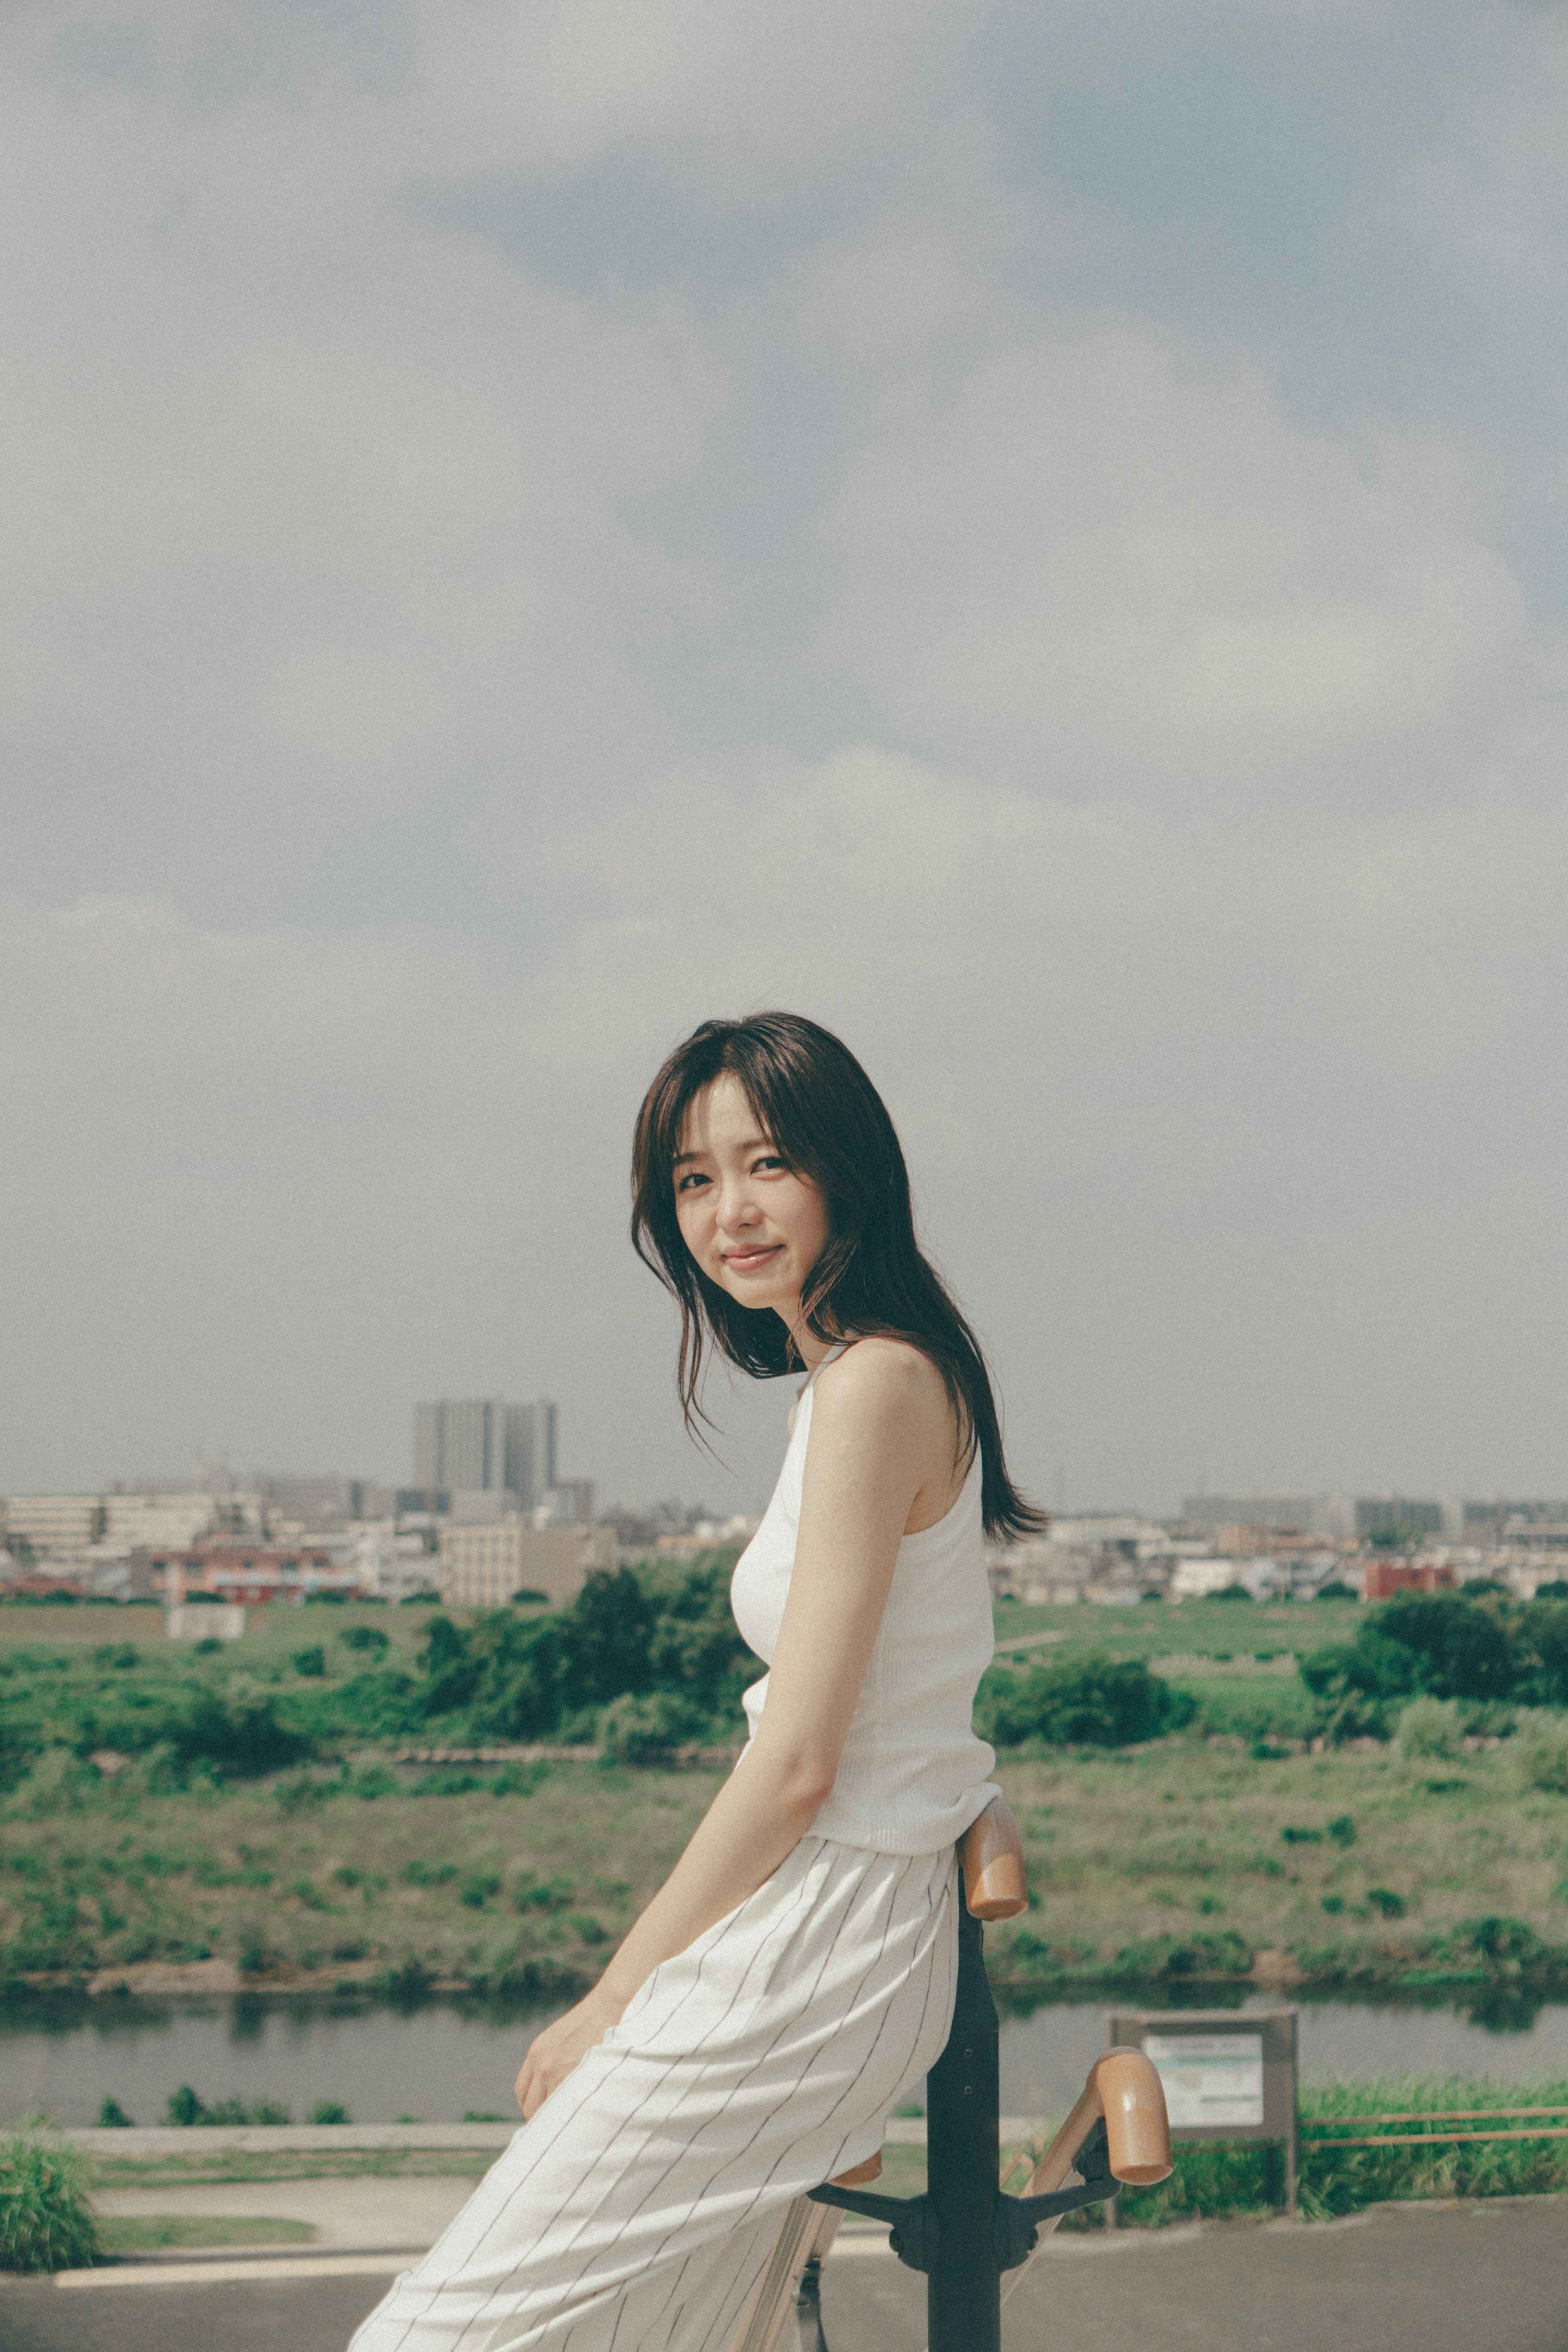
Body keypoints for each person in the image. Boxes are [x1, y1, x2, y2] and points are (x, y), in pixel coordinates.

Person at [348, 1011, 1043, 2352]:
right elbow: (918, 1677)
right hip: (828, 1929)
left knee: (437, 2336)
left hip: (821, 1941)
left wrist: (613, 2001)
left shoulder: (874, 1386)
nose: (729, 1210)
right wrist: (972, 1795)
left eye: (766, 1162)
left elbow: (797, 1764)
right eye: (692, 1178)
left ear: (849, 1171)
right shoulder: (863, 1377)